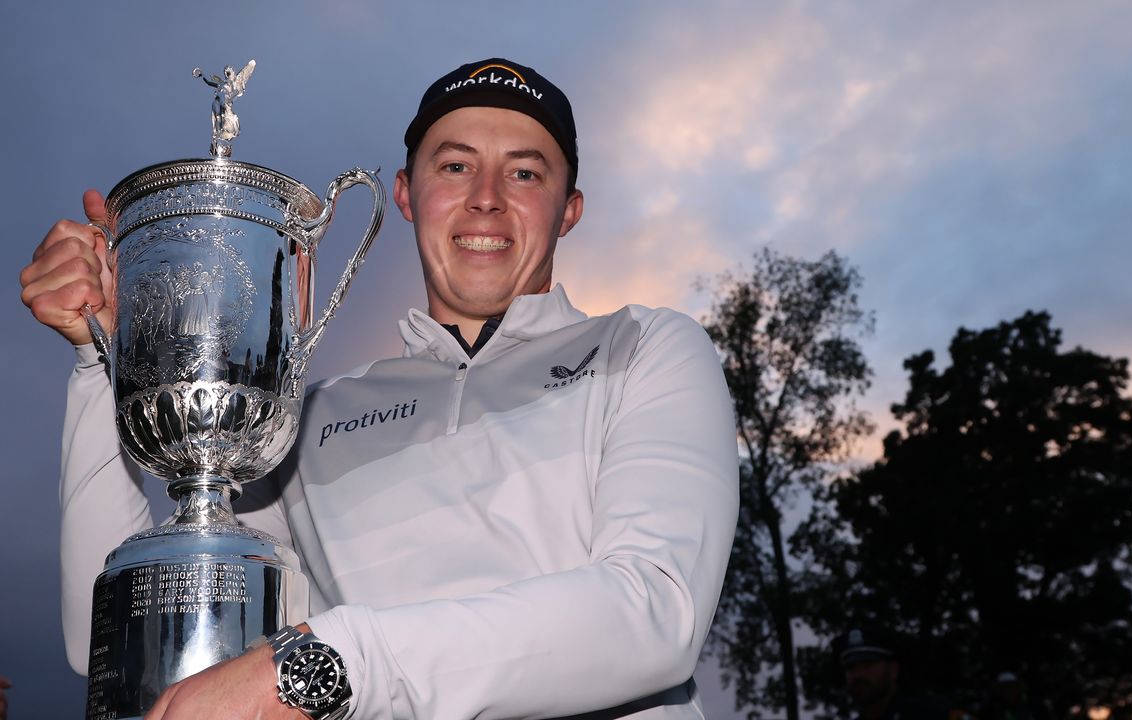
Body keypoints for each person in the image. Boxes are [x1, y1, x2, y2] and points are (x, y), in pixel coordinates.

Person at [20, 58, 739, 720]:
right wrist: (98, 358)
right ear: (406, 194)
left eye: (525, 174)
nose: (486, 199)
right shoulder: (309, 417)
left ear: (569, 210)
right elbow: (117, 640)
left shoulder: (646, 347)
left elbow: (655, 615)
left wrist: (325, 662)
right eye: (455, 166)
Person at [839, 626, 952, 720]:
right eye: (850, 667)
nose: (858, 674)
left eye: (867, 665)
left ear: (893, 670)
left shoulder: (934, 714)